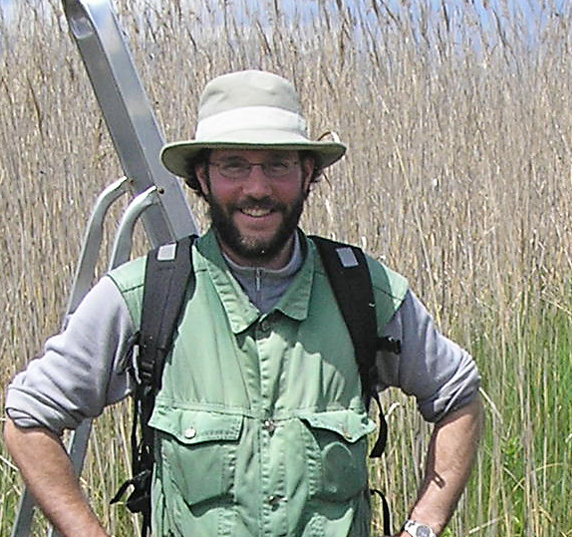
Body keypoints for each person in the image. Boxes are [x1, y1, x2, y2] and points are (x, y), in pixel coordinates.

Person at [4, 70, 483, 537]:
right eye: (234, 165)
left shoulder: (364, 292)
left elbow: (459, 395)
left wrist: (422, 526)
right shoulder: (144, 296)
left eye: (277, 164)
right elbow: (27, 420)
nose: (257, 189)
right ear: (202, 176)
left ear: (307, 173)